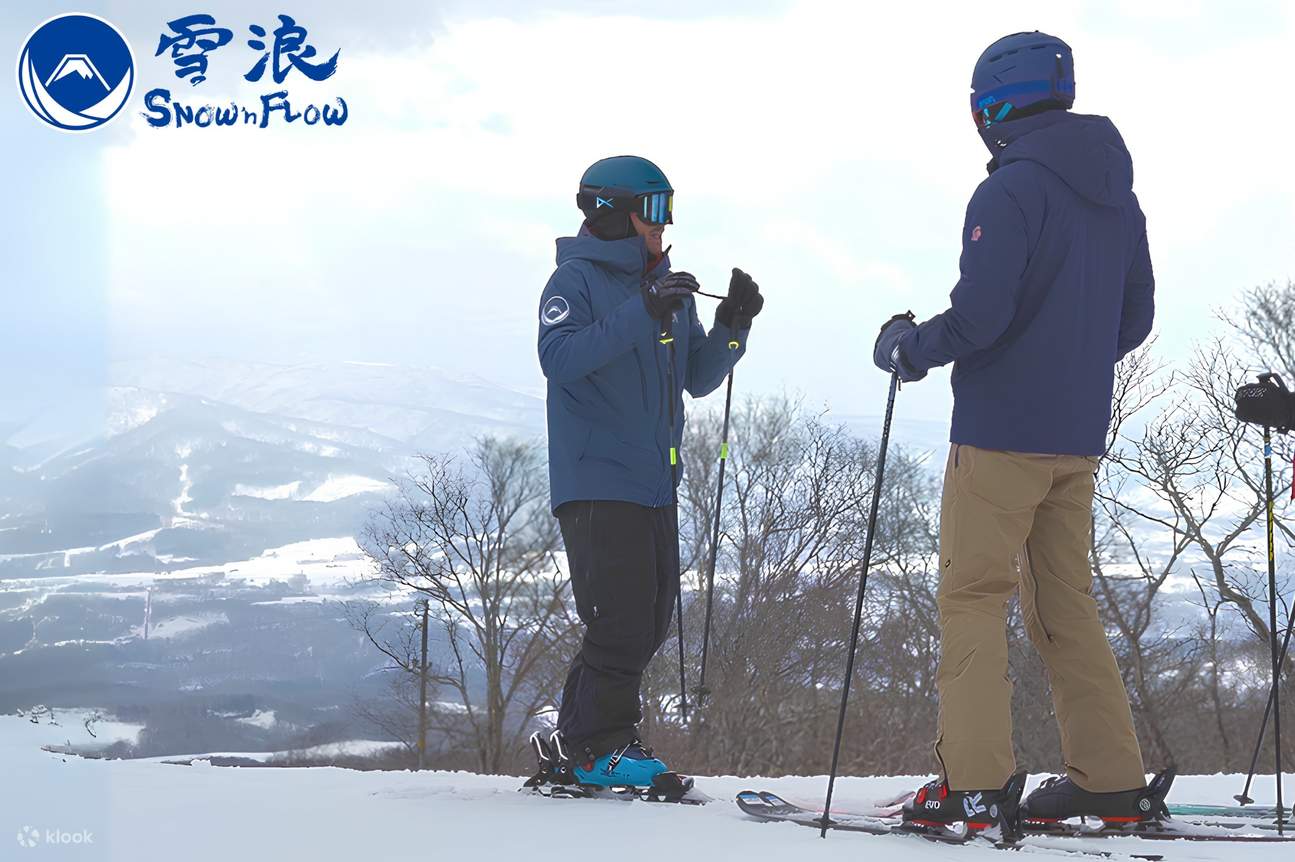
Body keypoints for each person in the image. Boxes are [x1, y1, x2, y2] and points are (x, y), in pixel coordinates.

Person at [872, 31, 1156, 830]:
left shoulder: (1009, 190)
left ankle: (972, 785)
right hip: (1076, 436)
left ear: (990, 108)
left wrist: (906, 348)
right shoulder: (1114, 192)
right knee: (1064, 604)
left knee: (970, 599)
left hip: (999, 436)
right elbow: (1132, 319)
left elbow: (979, 318)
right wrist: (1065, 359)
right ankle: (1108, 780)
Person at [529, 155, 764, 790]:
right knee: (622, 619)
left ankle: (576, 743)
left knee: (648, 619)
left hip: (654, 485)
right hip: (596, 482)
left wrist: (733, 324)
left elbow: (697, 377)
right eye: (655, 209)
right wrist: (642, 307)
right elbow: (560, 357)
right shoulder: (573, 282)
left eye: (669, 207)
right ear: (612, 213)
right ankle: (600, 747)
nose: (666, 223)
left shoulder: (666, 288)